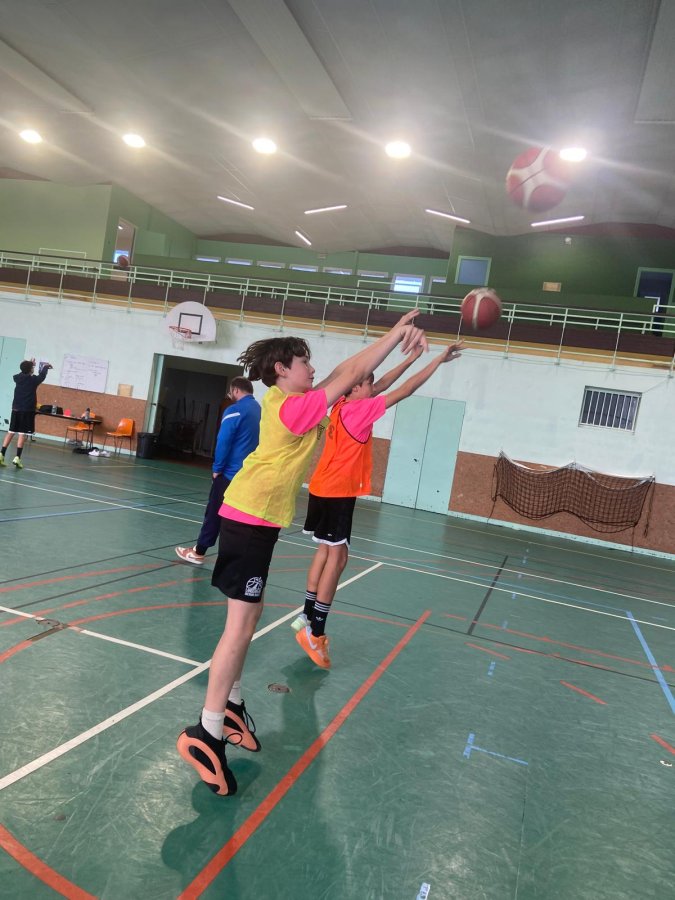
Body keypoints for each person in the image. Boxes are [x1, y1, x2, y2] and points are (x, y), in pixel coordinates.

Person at [176, 309, 428, 796]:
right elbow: (352, 374)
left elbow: (348, 372)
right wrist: (397, 333)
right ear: (281, 369)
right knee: (238, 628)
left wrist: (394, 342)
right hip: (249, 518)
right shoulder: (292, 408)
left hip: (257, 520)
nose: (313, 369)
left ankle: (231, 705)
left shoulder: (294, 399)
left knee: (249, 618)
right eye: (304, 363)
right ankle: (206, 731)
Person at [292, 341, 464, 669]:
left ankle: (307, 614)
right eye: (368, 383)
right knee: (339, 558)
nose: (374, 386)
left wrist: (412, 358)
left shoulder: (342, 402)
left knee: (326, 552)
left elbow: (383, 382)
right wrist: (438, 361)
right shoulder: (361, 410)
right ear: (357, 388)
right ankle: (316, 632)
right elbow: (405, 389)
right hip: (338, 492)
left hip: (321, 488)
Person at [175, 377, 261, 565]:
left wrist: (217, 468)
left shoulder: (234, 410)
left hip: (229, 474)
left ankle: (198, 552)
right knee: (238, 518)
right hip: (249, 475)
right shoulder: (259, 411)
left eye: (230, 392)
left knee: (214, 513)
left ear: (236, 390)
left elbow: (223, 441)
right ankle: (237, 557)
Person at [1, 359, 52, 470]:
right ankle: (17, 458)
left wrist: (30, 364)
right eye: (32, 367)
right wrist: (46, 367)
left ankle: (1, 454)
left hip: (15, 409)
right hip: (27, 410)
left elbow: (23, 371)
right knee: (22, 434)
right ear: (30, 370)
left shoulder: (18, 378)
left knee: (11, 432)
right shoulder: (33, 380)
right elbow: (42, 375)